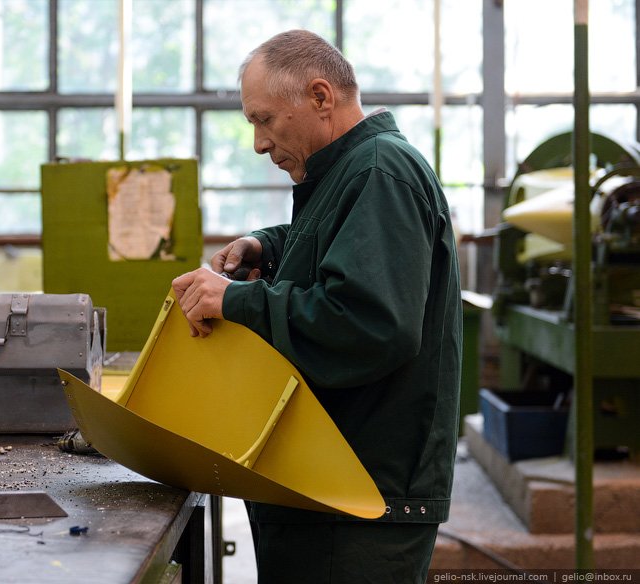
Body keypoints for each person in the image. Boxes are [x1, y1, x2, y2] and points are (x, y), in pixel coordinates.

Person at [171, 30, 462, 584]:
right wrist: (269, 247)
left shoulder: (381, 172)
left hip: (360, 495)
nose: (259, 142)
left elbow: (368, 323)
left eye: (264, 120)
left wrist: (237, 301)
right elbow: (335, 245)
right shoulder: (353, 171)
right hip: (330, 485)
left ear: (321, 97)